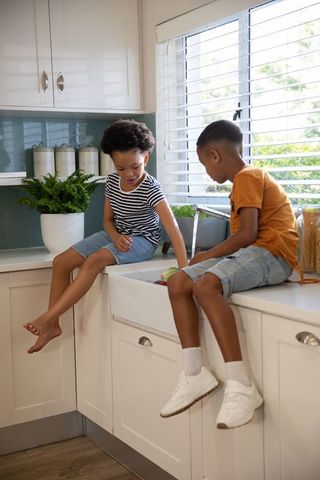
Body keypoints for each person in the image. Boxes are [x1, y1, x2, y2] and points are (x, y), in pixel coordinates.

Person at [160, 119, 298, 429]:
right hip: (251, 254)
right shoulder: (243, 181)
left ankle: (241, 386)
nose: (206, 172)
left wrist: (206, 256)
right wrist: (197, 262)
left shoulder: (248, 177)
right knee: (179, 281)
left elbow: (248, 234)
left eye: (203, 164)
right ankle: (194, 374)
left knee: (206, 287)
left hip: (273, 256)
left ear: (214, 156)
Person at [23, 119, 188, 354]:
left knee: (94, 260)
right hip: (116, 234)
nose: (129, 174)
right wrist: (115, 236)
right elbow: (107, 221)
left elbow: (172, 228)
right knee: (61, 262)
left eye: (135, 166)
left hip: (143, 240)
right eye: (121, 168)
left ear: (146, 159)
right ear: (113, 162)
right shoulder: (112, 182)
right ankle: (53, 326)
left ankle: (48, 318)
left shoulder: (151, 188)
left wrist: (185, 270)